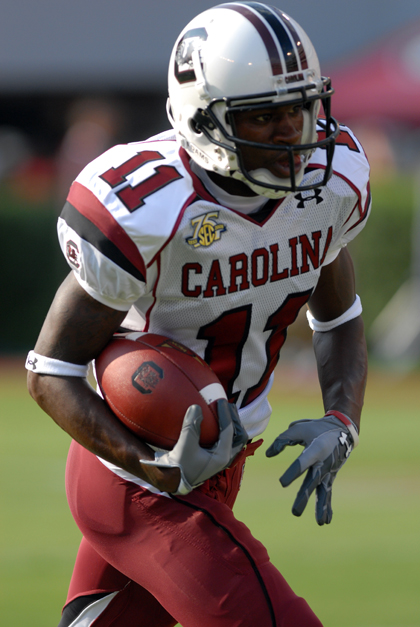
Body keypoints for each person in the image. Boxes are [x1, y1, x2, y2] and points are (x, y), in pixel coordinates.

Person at [26, 3, 370, 626]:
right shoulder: (148, 206)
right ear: (201, 116)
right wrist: (149, 463)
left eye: (299, 107)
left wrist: (341, 418)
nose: (292, 132)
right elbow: (49, 369)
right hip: (132, 474)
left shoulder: (328, 185)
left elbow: (340, 316)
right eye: (263, 116)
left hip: (218, 462)